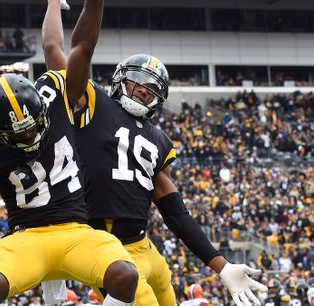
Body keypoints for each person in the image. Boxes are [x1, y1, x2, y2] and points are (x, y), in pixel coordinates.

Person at [40, 1, 268, 305]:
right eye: (137, 84)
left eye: (150, 89)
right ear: (120, 80)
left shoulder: (158, 138)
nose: (143, 91)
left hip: (144, 246)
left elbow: (174, 212)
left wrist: (221, 265)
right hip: (104, 246)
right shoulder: (91, 104)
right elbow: (58, 48)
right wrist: (56, 3)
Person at [0, 1, 140, 306]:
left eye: (32, 127)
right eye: (17, 134)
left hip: (77, 232)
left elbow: (76, 46)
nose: (29, 136)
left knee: (125, 276)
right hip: (28, 236)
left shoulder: (57, 97)